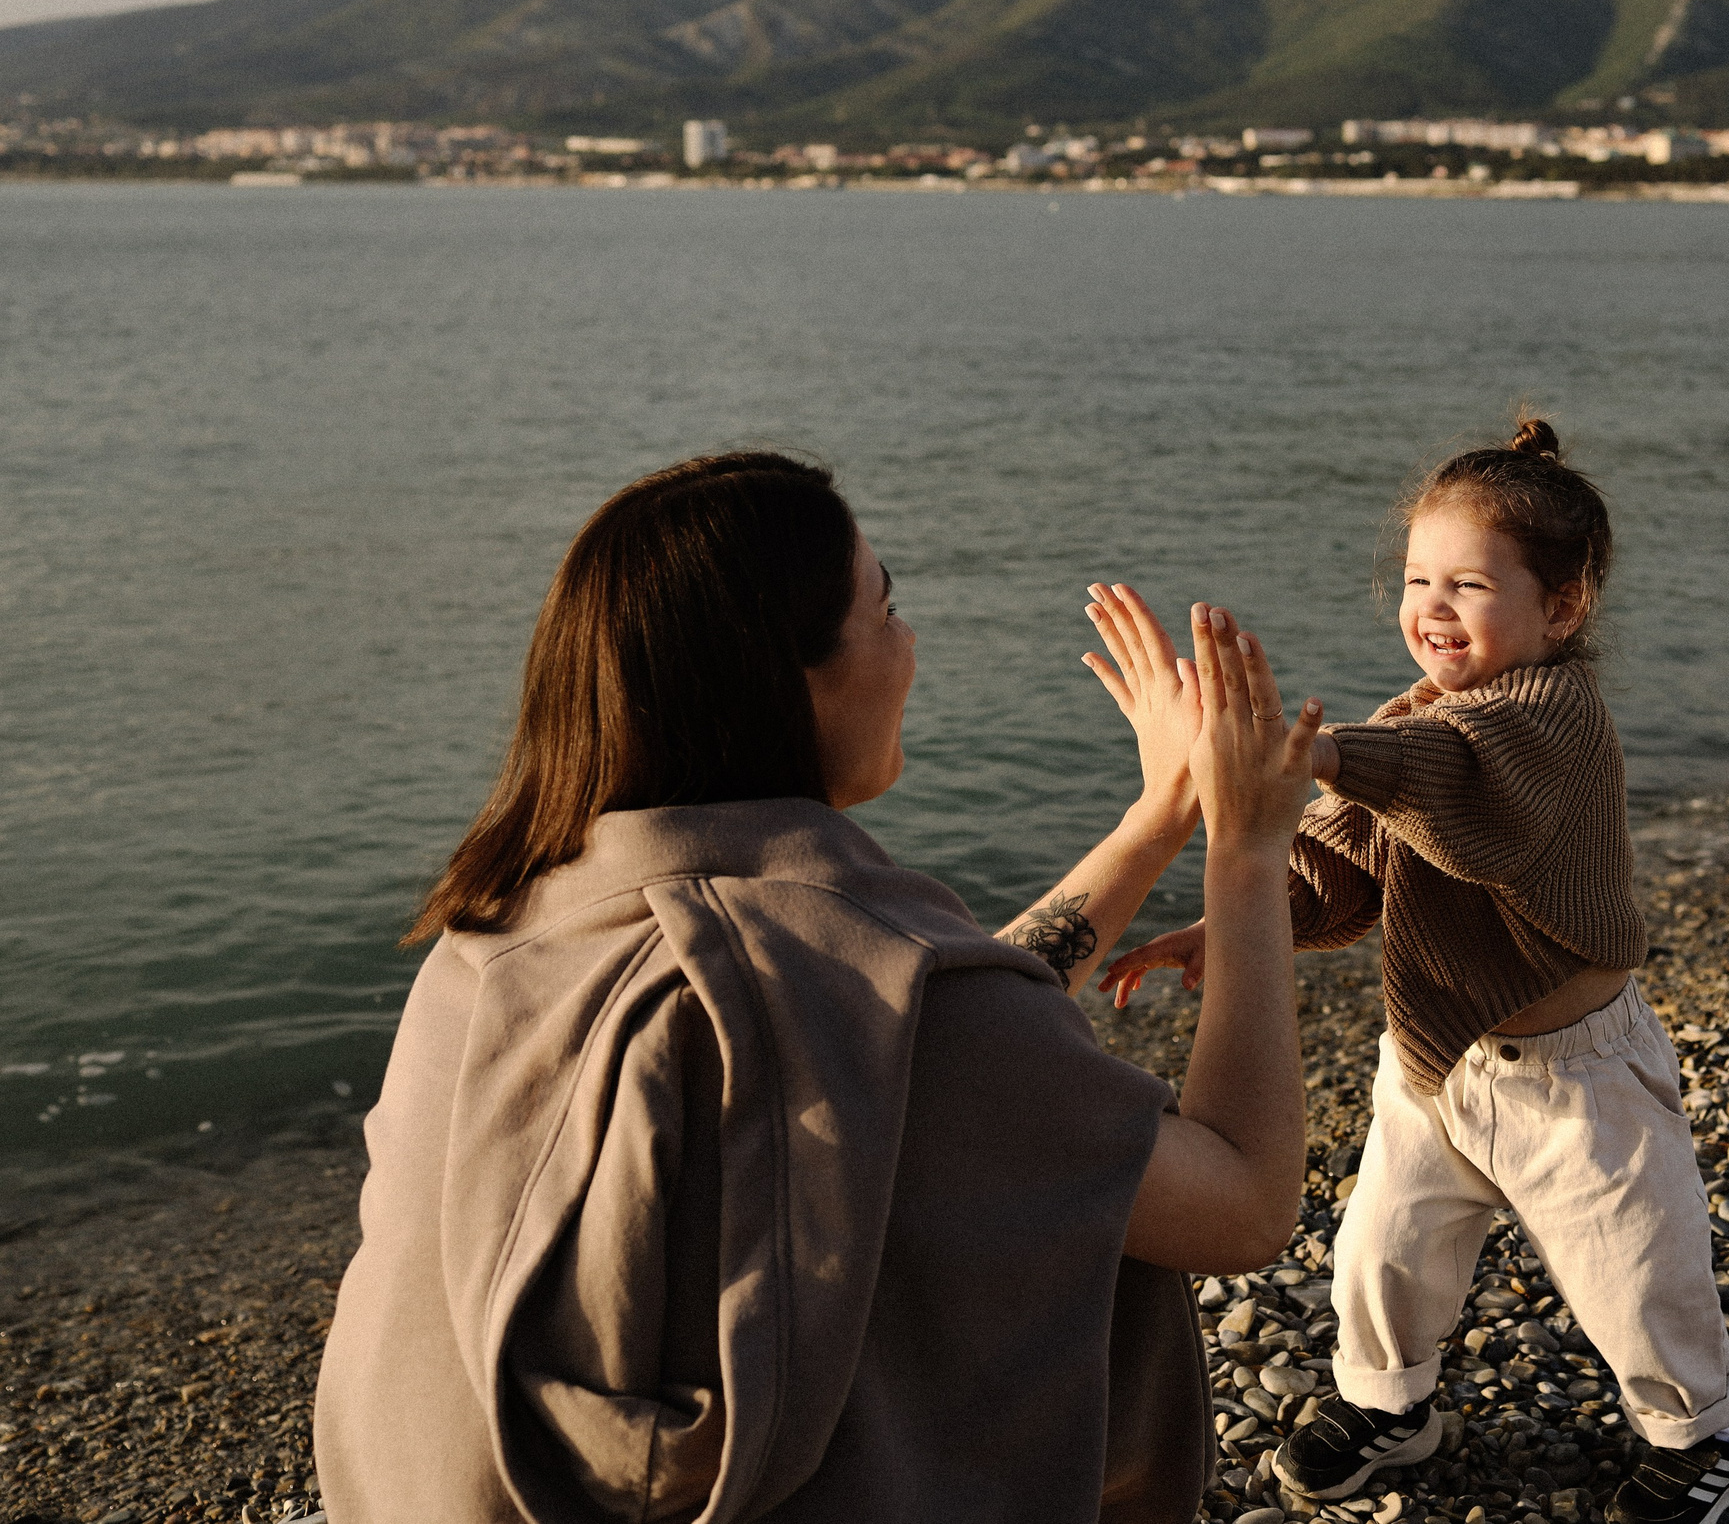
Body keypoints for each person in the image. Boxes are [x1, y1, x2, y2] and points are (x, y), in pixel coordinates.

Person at [313, 451, 1323, 1524]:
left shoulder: (498, 934)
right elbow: (1244, 1204)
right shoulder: (880, 988)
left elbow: (912, 1029)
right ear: (792, 679)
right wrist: (1247, 849)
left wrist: (1157, 817)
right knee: (1077, 1231)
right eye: (885, 610)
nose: (909, 642)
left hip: (406, 1492)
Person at [1105, 418, 1729, 1524]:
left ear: (1563, 608)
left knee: (1635, 1270)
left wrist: (1313, 753)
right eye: (1418, 580)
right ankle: (1389, 1402)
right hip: (1433, 1060)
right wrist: (1243, 921)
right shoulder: (1416, 715)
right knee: (1383, 1248)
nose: (1433, 607)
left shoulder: (1551, 717)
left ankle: (1704, 1433)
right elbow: (1348, 860)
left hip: (1576, 1076)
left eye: (1470, 584)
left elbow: (1461, 788)